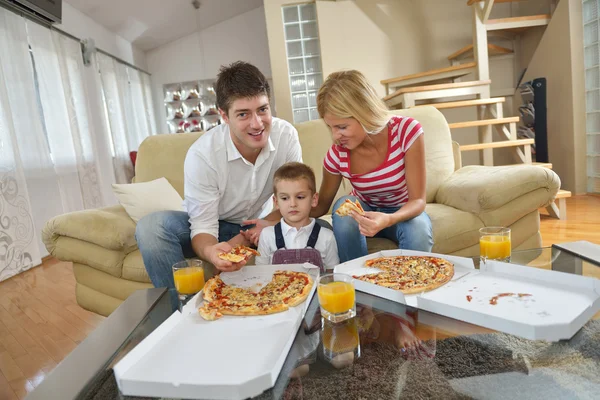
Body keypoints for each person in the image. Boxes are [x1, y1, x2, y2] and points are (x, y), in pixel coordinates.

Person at [135, 61, 302, 308]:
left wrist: (259, 229)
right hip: (217, 224)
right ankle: (183, 313)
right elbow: (202, 226)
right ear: (224, 116)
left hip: (264, 224)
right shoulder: (203, 155)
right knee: (150, 228)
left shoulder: (286, 136)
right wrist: (212, 252)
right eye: (243, 114)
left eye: (263, 109)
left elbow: (295, 199)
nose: (257, 124)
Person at [310, 70, 434, 262]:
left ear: (365, 113)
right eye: (330, 127)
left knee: (418, 228)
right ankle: (356, 280)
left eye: (342, 127)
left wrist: (388, 219)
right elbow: (319, 207)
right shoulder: (337, 155)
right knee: (343, 207)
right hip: (364, 215)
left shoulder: (406, 131)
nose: (335, 136)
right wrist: (272, 219)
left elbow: (418, 200)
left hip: (403, 212)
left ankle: (413, 285)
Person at [255, 162, 339, 270]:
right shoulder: (267, 235)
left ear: (314, 200)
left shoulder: (327, 236)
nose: (293, 204)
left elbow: (332, 275)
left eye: (300, 197)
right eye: (285, 198)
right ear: (276, 202)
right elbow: (260, 274)